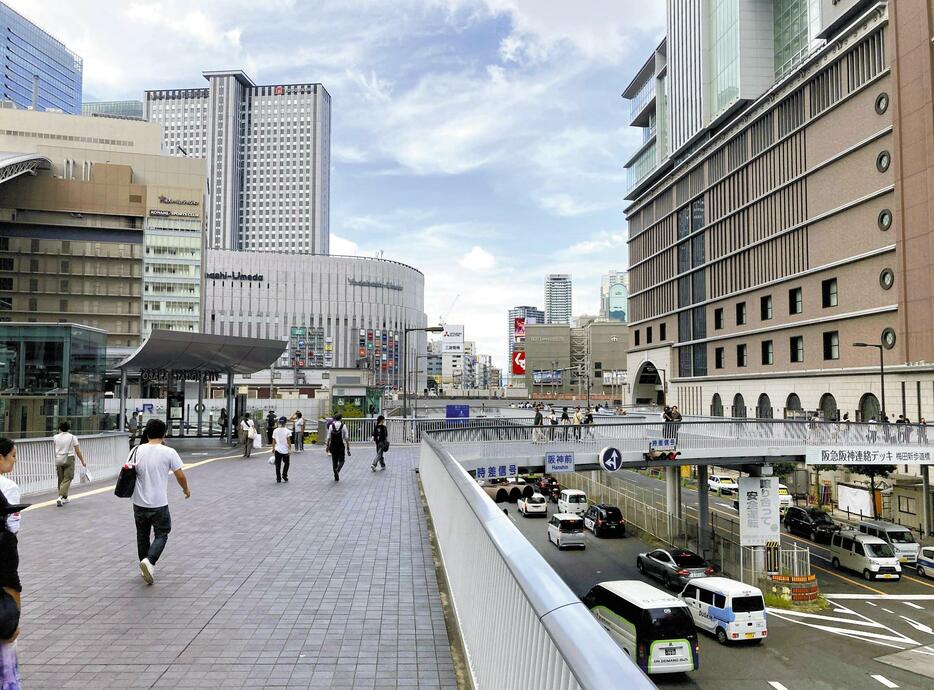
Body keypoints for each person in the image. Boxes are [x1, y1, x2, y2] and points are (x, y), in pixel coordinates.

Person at [131, 420, 189, 585]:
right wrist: (186, 490)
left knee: (142, 535)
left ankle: (145, 565)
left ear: (147, 433)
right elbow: (180, 475)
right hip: (158, 503)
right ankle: (149, 561)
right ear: (164, 433)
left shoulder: (135, 450)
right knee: (162, 533)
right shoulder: (169, 452)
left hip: (138, 502)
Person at [0, 437, 24, 690]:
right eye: (13, 455)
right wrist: (13, 620)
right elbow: (10, 580)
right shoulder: (8, 486)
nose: (15, 460)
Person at [53, 421, 87, 508]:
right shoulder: (73, 437)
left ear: (60, 428)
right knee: (68, 478)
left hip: (58, 458)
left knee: (61, 479)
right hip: (69, 458)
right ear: (69, 429)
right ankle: (60, 497)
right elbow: (77, 451)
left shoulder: (55, 437)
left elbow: (56, 448)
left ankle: (65, 497)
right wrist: (82, 461)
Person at [326, 413, 350, 481]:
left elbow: (328, 437)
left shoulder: (331, 426)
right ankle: (338, 470)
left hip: (333, 445)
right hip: (340, 445)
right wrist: (348, 447)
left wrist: (327, 446)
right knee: (342, 460)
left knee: (334, 461)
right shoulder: (343, 426)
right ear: (341, 418)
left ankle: (336, 476)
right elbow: (346, 438)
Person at [272, 416, 292, 483]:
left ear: (279, 422)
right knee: (287, 463)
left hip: (277, 450)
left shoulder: (275, 430)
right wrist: (289, 449)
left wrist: (273, 448)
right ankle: (284, 475)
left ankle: (278, 478)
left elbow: (273, 440)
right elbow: (289, 441)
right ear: (286, 422)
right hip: (285, 450)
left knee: (278, 464)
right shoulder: (288, 431)